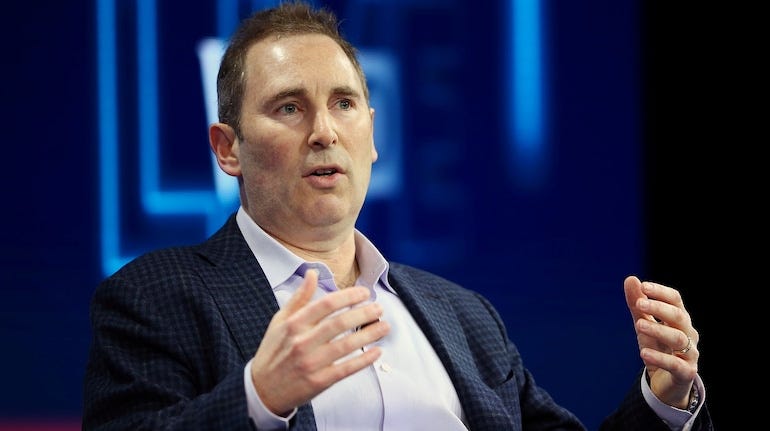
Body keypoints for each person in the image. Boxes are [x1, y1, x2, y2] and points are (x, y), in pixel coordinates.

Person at [82, 1, 713, 430]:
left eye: (344, 103)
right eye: (289, 108)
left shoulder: (464, 316)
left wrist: (664, 400)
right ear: (228, 149)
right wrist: (260, 398)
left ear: (373, 134)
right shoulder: (156, 298)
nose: (324, 131)